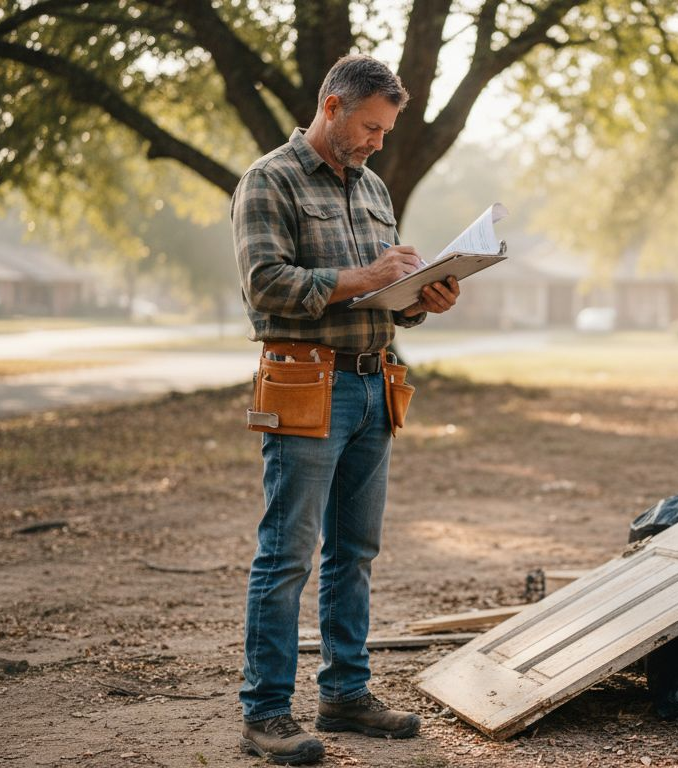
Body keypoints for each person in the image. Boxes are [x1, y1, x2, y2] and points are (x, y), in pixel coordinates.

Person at [231, 54, 459, 765]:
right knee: (287, 553)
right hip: (305, 386)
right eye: (370, 127)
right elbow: (266, 284)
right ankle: (265, 713)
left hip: (373, 384)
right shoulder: (269, 179)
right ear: (332, 108)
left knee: (354, 553)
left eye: (385, 131)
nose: (377, 142)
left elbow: (375, 298)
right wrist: (366, 275)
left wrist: (423, 298)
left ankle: (345, 693)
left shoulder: (374, 189)